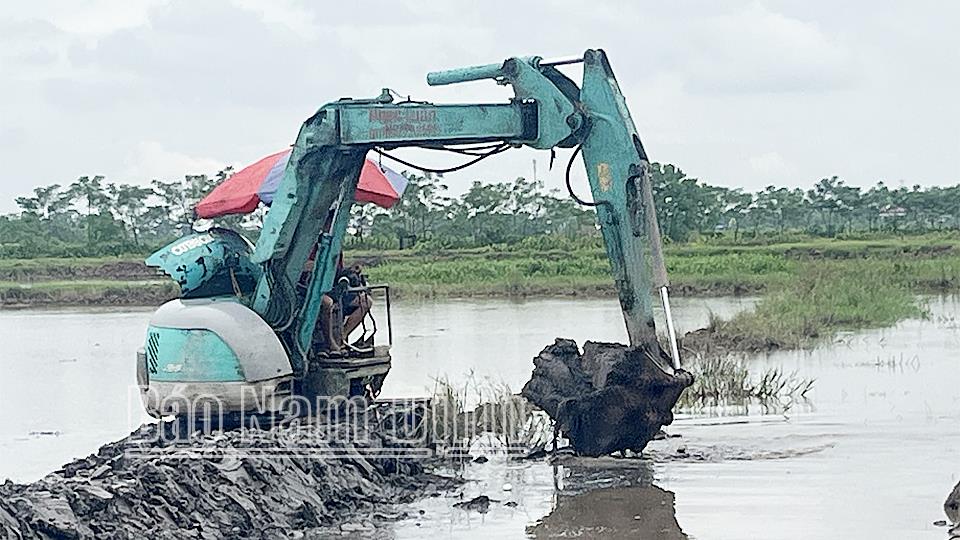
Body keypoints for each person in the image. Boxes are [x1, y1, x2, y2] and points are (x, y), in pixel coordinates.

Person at [318, 261, 373, 355]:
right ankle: (329, 343)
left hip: (335, 289)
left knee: (366, 301)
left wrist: (349, 271)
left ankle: (342, 336)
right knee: (328, 303)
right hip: (315, 290)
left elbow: (338, 271)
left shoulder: (335, 252)